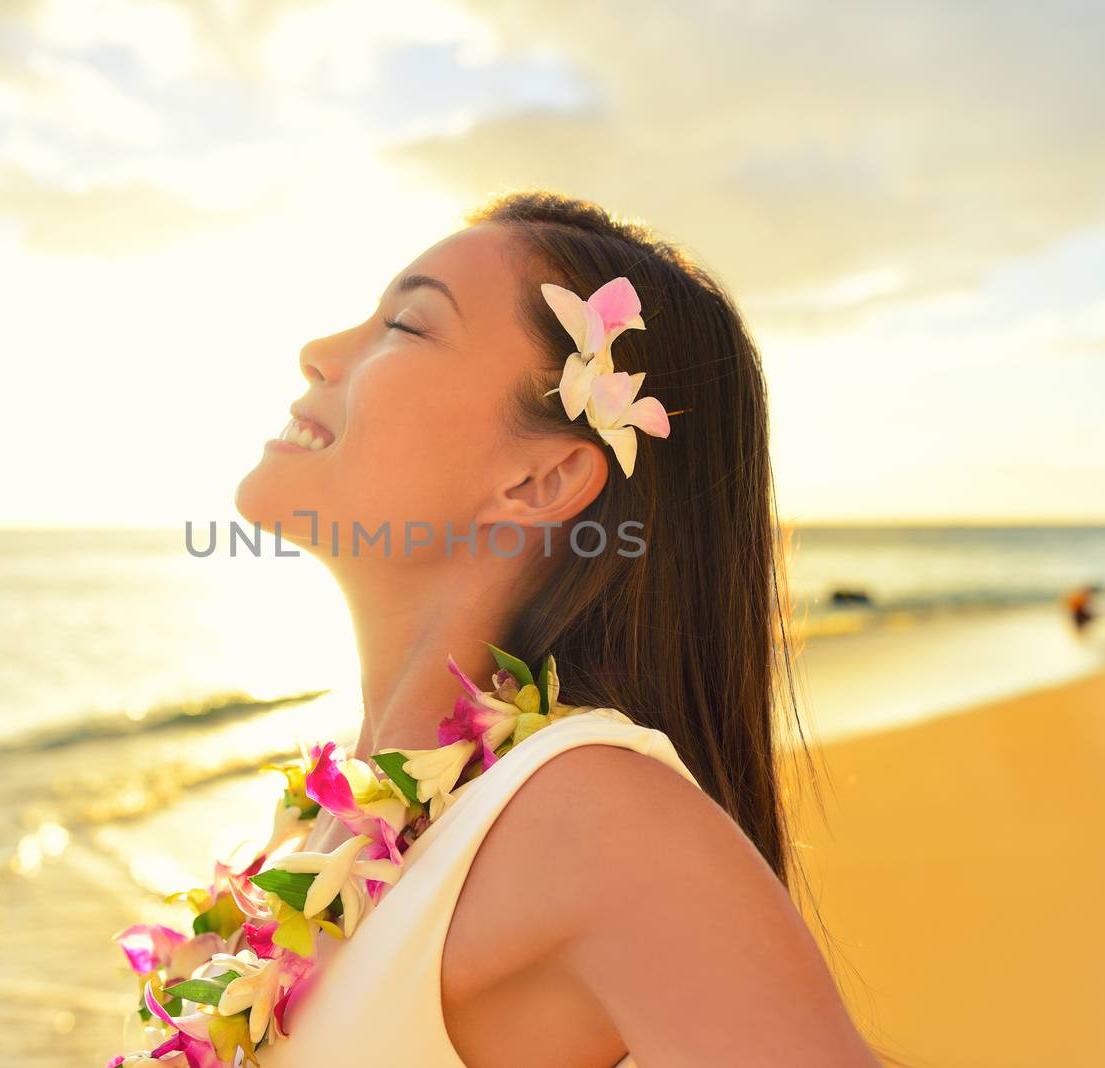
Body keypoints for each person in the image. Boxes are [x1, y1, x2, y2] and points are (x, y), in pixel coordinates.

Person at [205, 191, 877, 1066]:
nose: (319, 354)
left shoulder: (602, 826)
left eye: (404, 326)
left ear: (542, 479)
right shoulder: (321, 816)